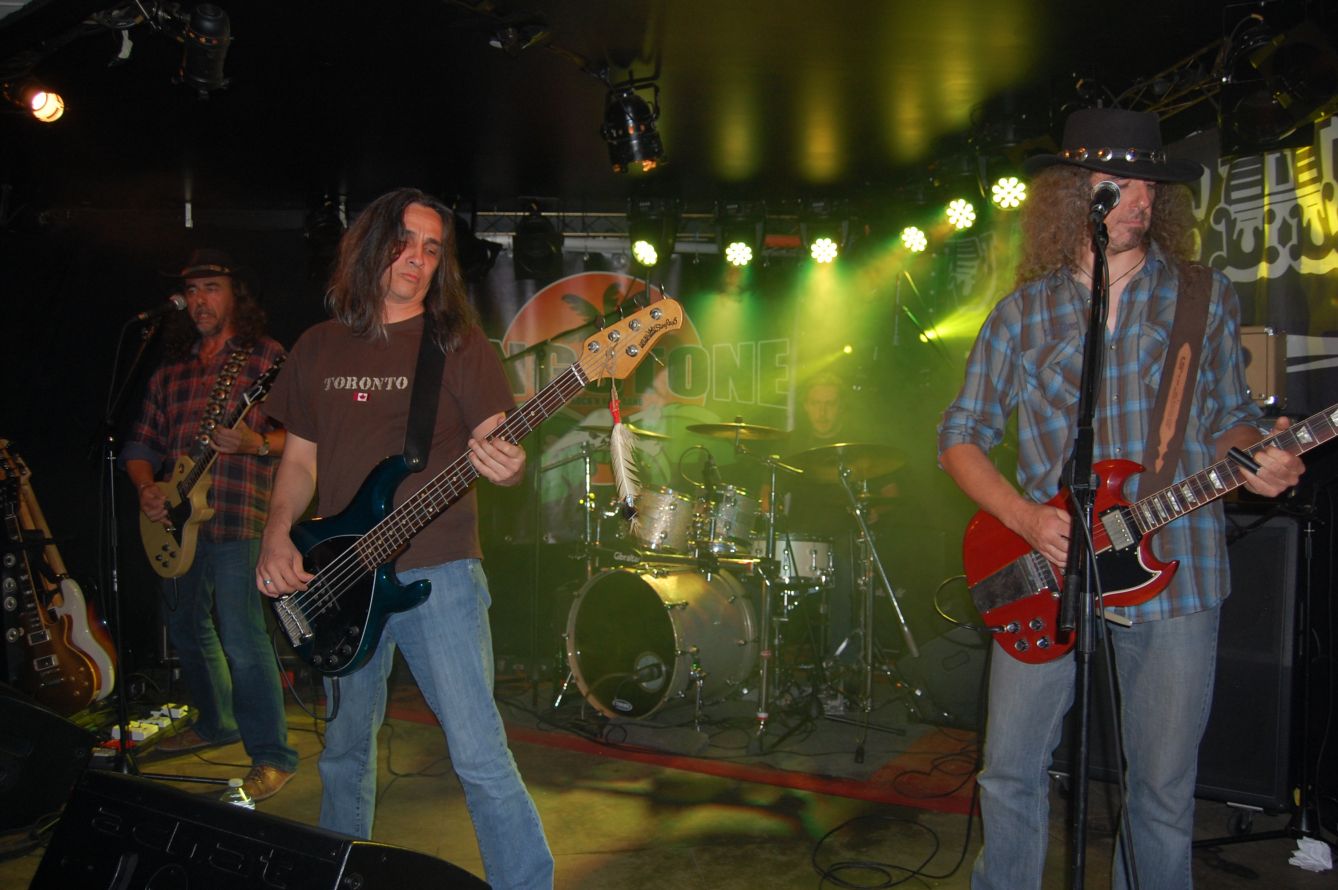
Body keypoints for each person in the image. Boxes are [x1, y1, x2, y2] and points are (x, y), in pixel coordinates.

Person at [937, 107, 1305, 888]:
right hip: (1048, 571)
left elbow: (1228, 420)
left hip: (1179, 571)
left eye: (1150, 186)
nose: (1141, 198)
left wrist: (1257, 459)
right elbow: (960, 437)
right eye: (1120, 183)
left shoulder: (1201, 296)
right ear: (1075, 192)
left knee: (1162, 795)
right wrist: (1025, 518)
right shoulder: (1022, 313)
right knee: (1009, 771)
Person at [256, 187, 553, 889]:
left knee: (478, 755)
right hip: (338, 579)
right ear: (370, 245)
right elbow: (298, 461)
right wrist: (276, 535)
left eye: (432, 248)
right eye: (405, 242)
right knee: (344, 754)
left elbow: (498, 443)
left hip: (439, 575)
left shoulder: (457, 344)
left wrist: (510, 466)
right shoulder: (317, 346)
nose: (419, 258)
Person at [122, 248, 298, 802]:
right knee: (185, 628)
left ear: (234, 295)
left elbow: (305, 437)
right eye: (192, 290)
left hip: (241, 514)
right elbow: (139, 445)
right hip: (177, 525)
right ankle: (215, 721)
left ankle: (272, 755)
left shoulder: (265, 356)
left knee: (243, 638)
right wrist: (147, 488)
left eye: (211, 288)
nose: (199, 300)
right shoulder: (170, 370)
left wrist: (254, 442)